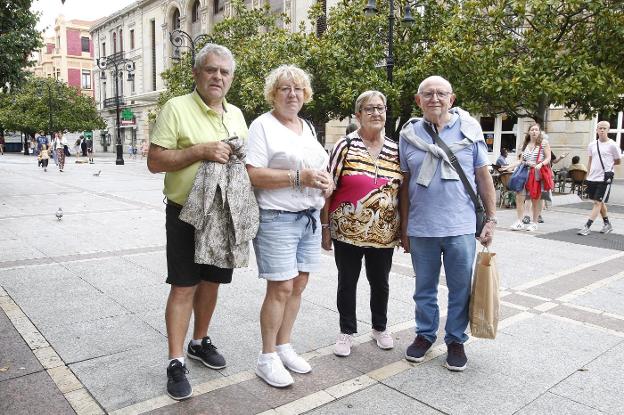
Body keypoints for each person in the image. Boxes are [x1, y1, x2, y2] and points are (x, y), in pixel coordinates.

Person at [147, 43, 248, 401]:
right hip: (185, 213)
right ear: (196, 74)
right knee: (183, 286)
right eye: (211, 70)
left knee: (211, 284)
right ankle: (175, 360)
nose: (218, 76)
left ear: (231, 78)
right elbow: (155, 161)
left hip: (223, 215)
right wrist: (200, 150)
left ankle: (199, 341)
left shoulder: (236, 114)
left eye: (224, 72)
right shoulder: (176, 108)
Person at [399, 76, 496, 372]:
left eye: (441, 93)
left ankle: (456, 340)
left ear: (451, 99)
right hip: (422, 227)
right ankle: (425, 334)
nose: (435, 99)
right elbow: (404, 184)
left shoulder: (470, 130)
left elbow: (482, 177)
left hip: (461, 227)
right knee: (424, 288)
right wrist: (404, 227)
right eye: (428, 94)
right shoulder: (408, 135)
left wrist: (491, 219)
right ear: (419, 101)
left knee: (459, 289)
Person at [246, 65, 332, 388]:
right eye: (285, 88)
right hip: (277, 217)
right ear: (273, 94)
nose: (292, 94)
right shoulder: (262, 126)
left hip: (308, 217)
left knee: (298, 285)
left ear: (305, 94)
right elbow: (253, 174)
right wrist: (300, 177)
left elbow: (319, 167)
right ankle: (266, 357)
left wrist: (327, 180)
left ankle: (284, 346)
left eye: (298, 89)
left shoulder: (306, 127)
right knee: (280, 287)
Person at [320, 90, 402, 357]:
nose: (376, 113)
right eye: (369, 109)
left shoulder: (395, 149)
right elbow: (327, 188)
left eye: (380, 108)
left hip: (384, 231)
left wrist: (404, 229)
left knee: (381, 282)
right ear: (358, 115)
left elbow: (402, 191)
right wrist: (325, 228)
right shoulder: (345, 145)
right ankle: (346, 331)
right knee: (348, 281)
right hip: (346, 231)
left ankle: (380, 327)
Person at [578, 121, 621, 235]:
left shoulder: (612, 145)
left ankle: (587, 226)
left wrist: (608, 167)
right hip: (593, 177)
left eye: (604, 128)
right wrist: (587, 175)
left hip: (605, 178)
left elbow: (618, 161)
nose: (602, 130)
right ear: (596, 130)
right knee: (599, 202)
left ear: (608, 130)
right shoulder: (592, 145)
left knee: (597, 202)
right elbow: (590, 160)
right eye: (600, 128)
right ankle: (607, 224)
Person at [509, 123, 551, 231]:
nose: (534, 132)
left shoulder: (544, 143)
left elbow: (548, 158)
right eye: (532, 130)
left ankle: (535, 222)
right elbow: (520, 160)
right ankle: (519, 221)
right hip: (524, 171)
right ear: (529, 132)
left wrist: (541, 164)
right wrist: (509, 166)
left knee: (535, 198)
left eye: (536, 130)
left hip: (536, 172)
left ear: (539, 132)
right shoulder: (525, 144)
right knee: (519, 196)